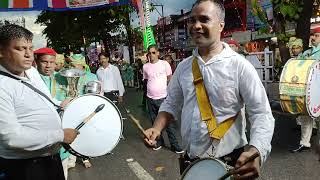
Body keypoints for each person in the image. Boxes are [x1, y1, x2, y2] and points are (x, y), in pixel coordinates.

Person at [144, 1, 274, 179]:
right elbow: (170, 104)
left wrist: (256, 151)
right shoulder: (183, 67)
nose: (196, 26)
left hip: (231, 165)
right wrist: (156, 128)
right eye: (192, 20)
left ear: (221, 25)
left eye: (204, 19)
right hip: (191, 164)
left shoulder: (240, 66)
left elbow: (261, 113)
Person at [0, 24, 78, 180]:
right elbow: (12, 138)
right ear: (1, 52)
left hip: (50, 159)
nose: (29, 54)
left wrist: (59, 103)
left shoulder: (31, 71)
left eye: (30, 48)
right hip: (26, 166)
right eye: (21, 49)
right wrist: (60, 135)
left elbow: (43, 98)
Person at [143, 44, 183, 153]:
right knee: (154, 122)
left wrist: (170, 95)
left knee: (167, 123)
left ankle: (174, 145)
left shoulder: (164, 64)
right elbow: (147, 80)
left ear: (158, 53)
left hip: (163, 98)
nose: (151, 55)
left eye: (153, 52)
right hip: (150, 98)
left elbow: (170, 79)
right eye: (149, 53)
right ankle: (159, 142)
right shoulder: (145, 67)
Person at [290, 27, 320, 153]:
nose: (313, 37)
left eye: (317, 35)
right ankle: (304, 142)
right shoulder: (308, 52)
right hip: (309, 88)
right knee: (306, 114)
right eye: (313, 35)